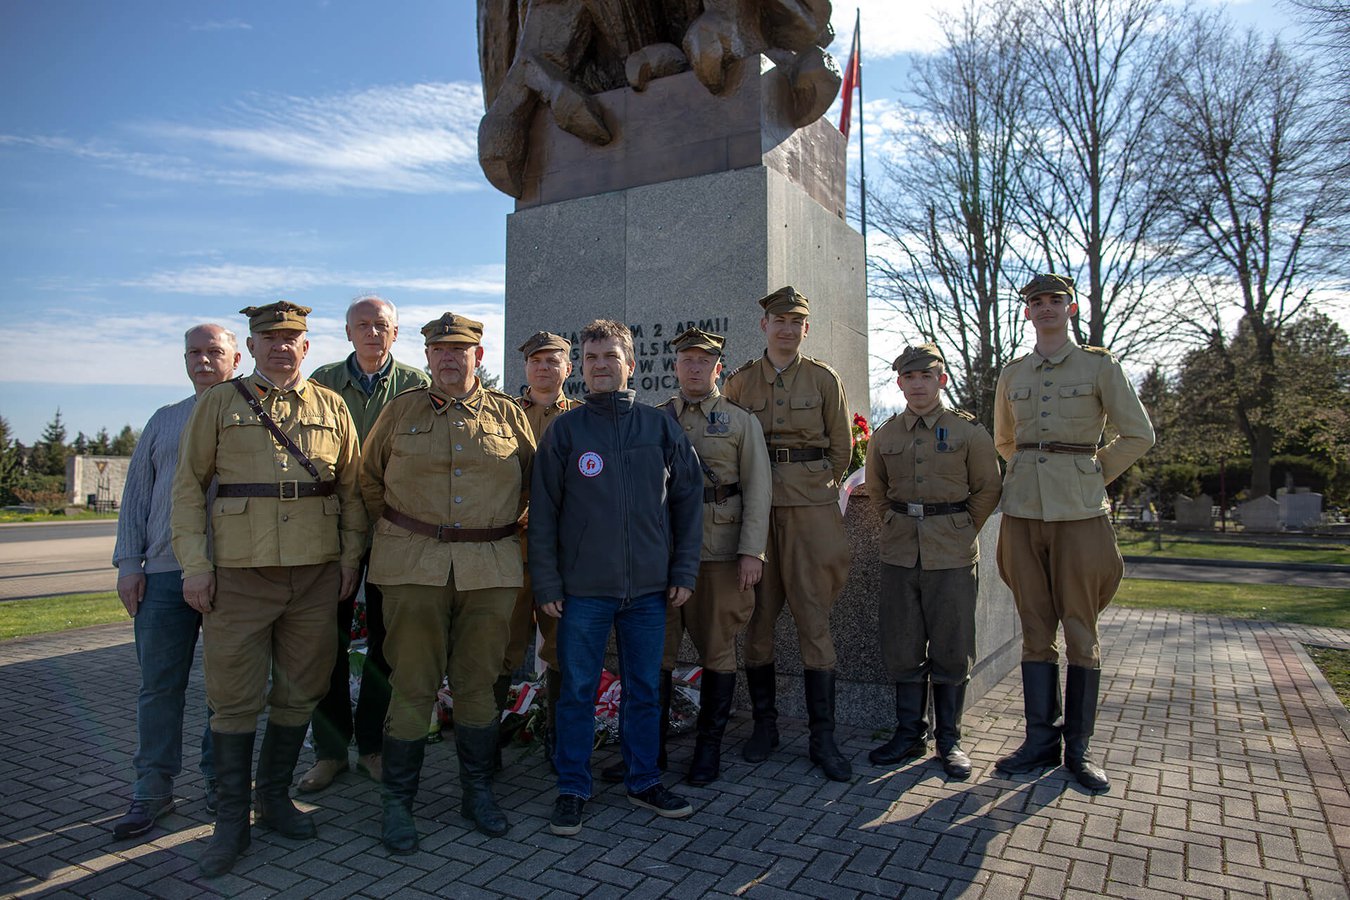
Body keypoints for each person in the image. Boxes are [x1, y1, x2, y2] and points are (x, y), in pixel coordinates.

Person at [172, 300, 367, 877]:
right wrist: (194, 565)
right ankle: (231, 822)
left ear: (306, 347)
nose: (282, 347)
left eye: (292, 338)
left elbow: (352, 492)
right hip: (239, 575)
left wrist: (349, 559)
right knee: (233, 698)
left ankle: (274, 799)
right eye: (269, 338)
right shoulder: (219, 403)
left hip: (314, 575)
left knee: (302, 689)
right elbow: (188, 488)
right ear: (251, 347)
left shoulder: (332, 406)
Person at [360, 312, 535, 851]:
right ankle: (398, 803)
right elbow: (368, 481)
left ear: (478, 356)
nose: (449, 358)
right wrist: (404, 533)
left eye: (460, 349)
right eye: (439, 350)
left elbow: (530, 484)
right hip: (413, 570)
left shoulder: (508, 415)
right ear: (428, 357)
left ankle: (477, 792)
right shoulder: (400, 410)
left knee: (477, 684)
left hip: (489, 571)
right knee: (413, 684)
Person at [530, 319, 703, 836]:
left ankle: (643, 779)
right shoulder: (565, 432)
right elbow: (543, 514)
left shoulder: (660, 427)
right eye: (591, 358)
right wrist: (548, 583)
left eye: (610, 356)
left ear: (630, 363)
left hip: (648, 591)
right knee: (577, 691)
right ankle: (572, 787)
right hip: (583, 592)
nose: (600, 366)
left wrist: (684, 569)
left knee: (645, 690)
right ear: (581, 368)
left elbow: (689, 503)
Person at [992, 274, 1154, 793]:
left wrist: (1091, 474)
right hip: (1023, 512)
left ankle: (1078, 749)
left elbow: (1139, 434)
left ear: (1072, 308)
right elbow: (1005, 440)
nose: (1045, 308)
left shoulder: (1099, 366)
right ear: (1027, 312)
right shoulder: (1013, 373)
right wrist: (1034, 475)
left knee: (1081, 630)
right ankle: (1039, 741)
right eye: (1036, 302)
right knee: (1034, 629)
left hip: (1081, 514)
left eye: (1055, 301)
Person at [110, 323, 241, 839]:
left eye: (214, 352)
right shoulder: (164, 420)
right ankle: (152, 788)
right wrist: (129, 563)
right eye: (194, 352)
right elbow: (136, 495)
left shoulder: (248, 416)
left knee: (225, 691)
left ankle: (218, 781)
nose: (203, 360)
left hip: (230, 572)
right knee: (159, 687)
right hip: (163, 576)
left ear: (236, 358)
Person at [722, 286, 854, 782]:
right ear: (764, 326)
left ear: (806, 329)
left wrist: (813, 488)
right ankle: (765, 725)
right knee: (756, 619)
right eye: (778, 320)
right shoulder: (740, 383)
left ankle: (823, 737)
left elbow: (841, 449)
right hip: (756, 512)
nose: (786, 328)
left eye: (795, 321)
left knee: (814, 618)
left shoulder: (823, 379)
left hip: (810, 512)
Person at [302, 294, 429, 793]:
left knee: (386, 645)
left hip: (395, 533)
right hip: (330, 535)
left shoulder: (417, 385)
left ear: (395, 333)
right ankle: (330, 751)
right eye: (363, 325)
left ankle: (373, 745)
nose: (372, 333)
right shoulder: (322, 383)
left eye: (381, 325)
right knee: (324, 646)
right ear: (348, 332)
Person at [863, 343, 1001, 780]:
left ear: (941, 380)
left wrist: (962, 529)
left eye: (926, 376)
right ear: (899, 383)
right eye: (909, 377)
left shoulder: (968, 431)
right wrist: (890, 520)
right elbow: (876, 487)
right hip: (900, 550)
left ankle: (949, 739)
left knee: (952, 644)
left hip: (951, 553)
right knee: (902, 643)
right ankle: (909, 733)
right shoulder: (886, 434)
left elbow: (988, 487)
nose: (918, 384)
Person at [659, 327, 772, 786]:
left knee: (718, 650)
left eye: (703, 361)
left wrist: (752, 552)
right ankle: (650, 751)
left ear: (717, 368)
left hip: (720, 555)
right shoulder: (657, 418)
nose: (694, 367)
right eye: (687, 359)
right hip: (665, 554)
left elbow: (759, 490)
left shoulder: (740, 422)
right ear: (676, 366)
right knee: (658, 652)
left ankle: (708, 750)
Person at [500, 331, 582, 763]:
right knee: (501, 647)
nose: (544, 368)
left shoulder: (583, 417)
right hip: (510, 552)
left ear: (568, 368)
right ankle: (486, 742)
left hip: (562, 556)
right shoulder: (503, 414)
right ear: (526, 367)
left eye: (553, 361)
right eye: (536, 361)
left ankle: (557, 738)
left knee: (561, 649)